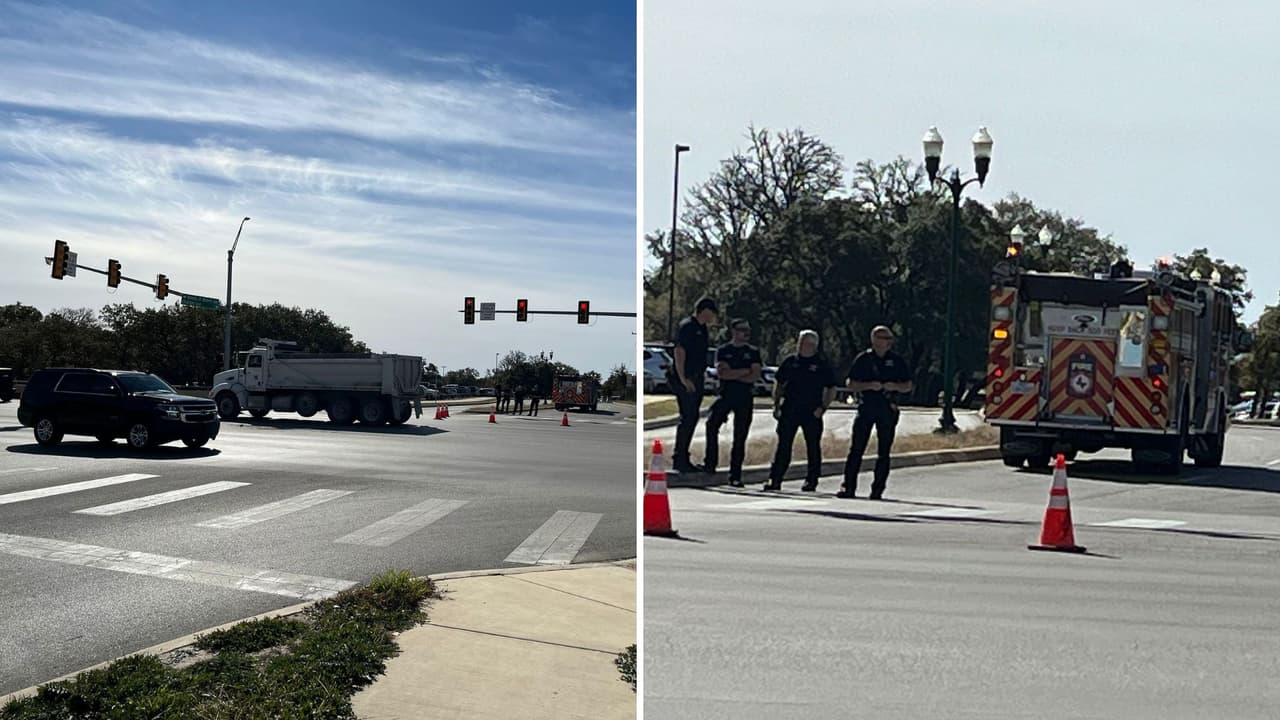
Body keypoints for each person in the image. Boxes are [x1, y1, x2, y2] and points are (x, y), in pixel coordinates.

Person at [840, 325, 914, 500]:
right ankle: (848, 486)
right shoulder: (864, 359)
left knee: (884, 451)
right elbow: (850, 383)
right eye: (883, 338)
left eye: (889, 338)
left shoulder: (896, 361)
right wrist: (868, 386)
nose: (887, 342)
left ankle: (877, 489)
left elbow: (908, 385)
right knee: (856, 449)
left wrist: (893, 386)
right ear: (874, 339)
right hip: (867, 407)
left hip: (887, 409)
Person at [765, 330, 836, 492]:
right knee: (783, 445)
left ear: (813, 345)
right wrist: (776, 405)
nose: (800, 345)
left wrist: (823, 408)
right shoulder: (790, 361)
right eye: (800, 341)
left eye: (804, 342)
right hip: (789, 409)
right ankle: (775, 479)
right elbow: (779, 383)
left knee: (812, 446)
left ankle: (811, 480)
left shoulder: (821, 364)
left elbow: (831, 388)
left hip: (811, 411)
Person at [703, 319, 762, 487]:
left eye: (748, 330)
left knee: (740, 435)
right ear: (734, 331)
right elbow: (723, 374)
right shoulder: (723, 350)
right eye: (743, 330)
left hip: (745, 396)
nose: (746, 333)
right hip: (726, 394)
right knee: (711, 424)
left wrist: (735, 372)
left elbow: (755, 375)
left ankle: (735, 474)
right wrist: (744, 371)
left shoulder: (753, 352)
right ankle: (710, 464)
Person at [670, 297, 718, 473]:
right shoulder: (688, 326)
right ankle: (679, 458)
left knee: (692, 416)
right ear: (704, 311)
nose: (712, 317)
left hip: (697, 377)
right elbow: (679, 351)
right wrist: (683, 378)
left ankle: (683, 457)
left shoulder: (702, 329)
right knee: (688, 416)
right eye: (711, 313)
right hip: (685, 377)